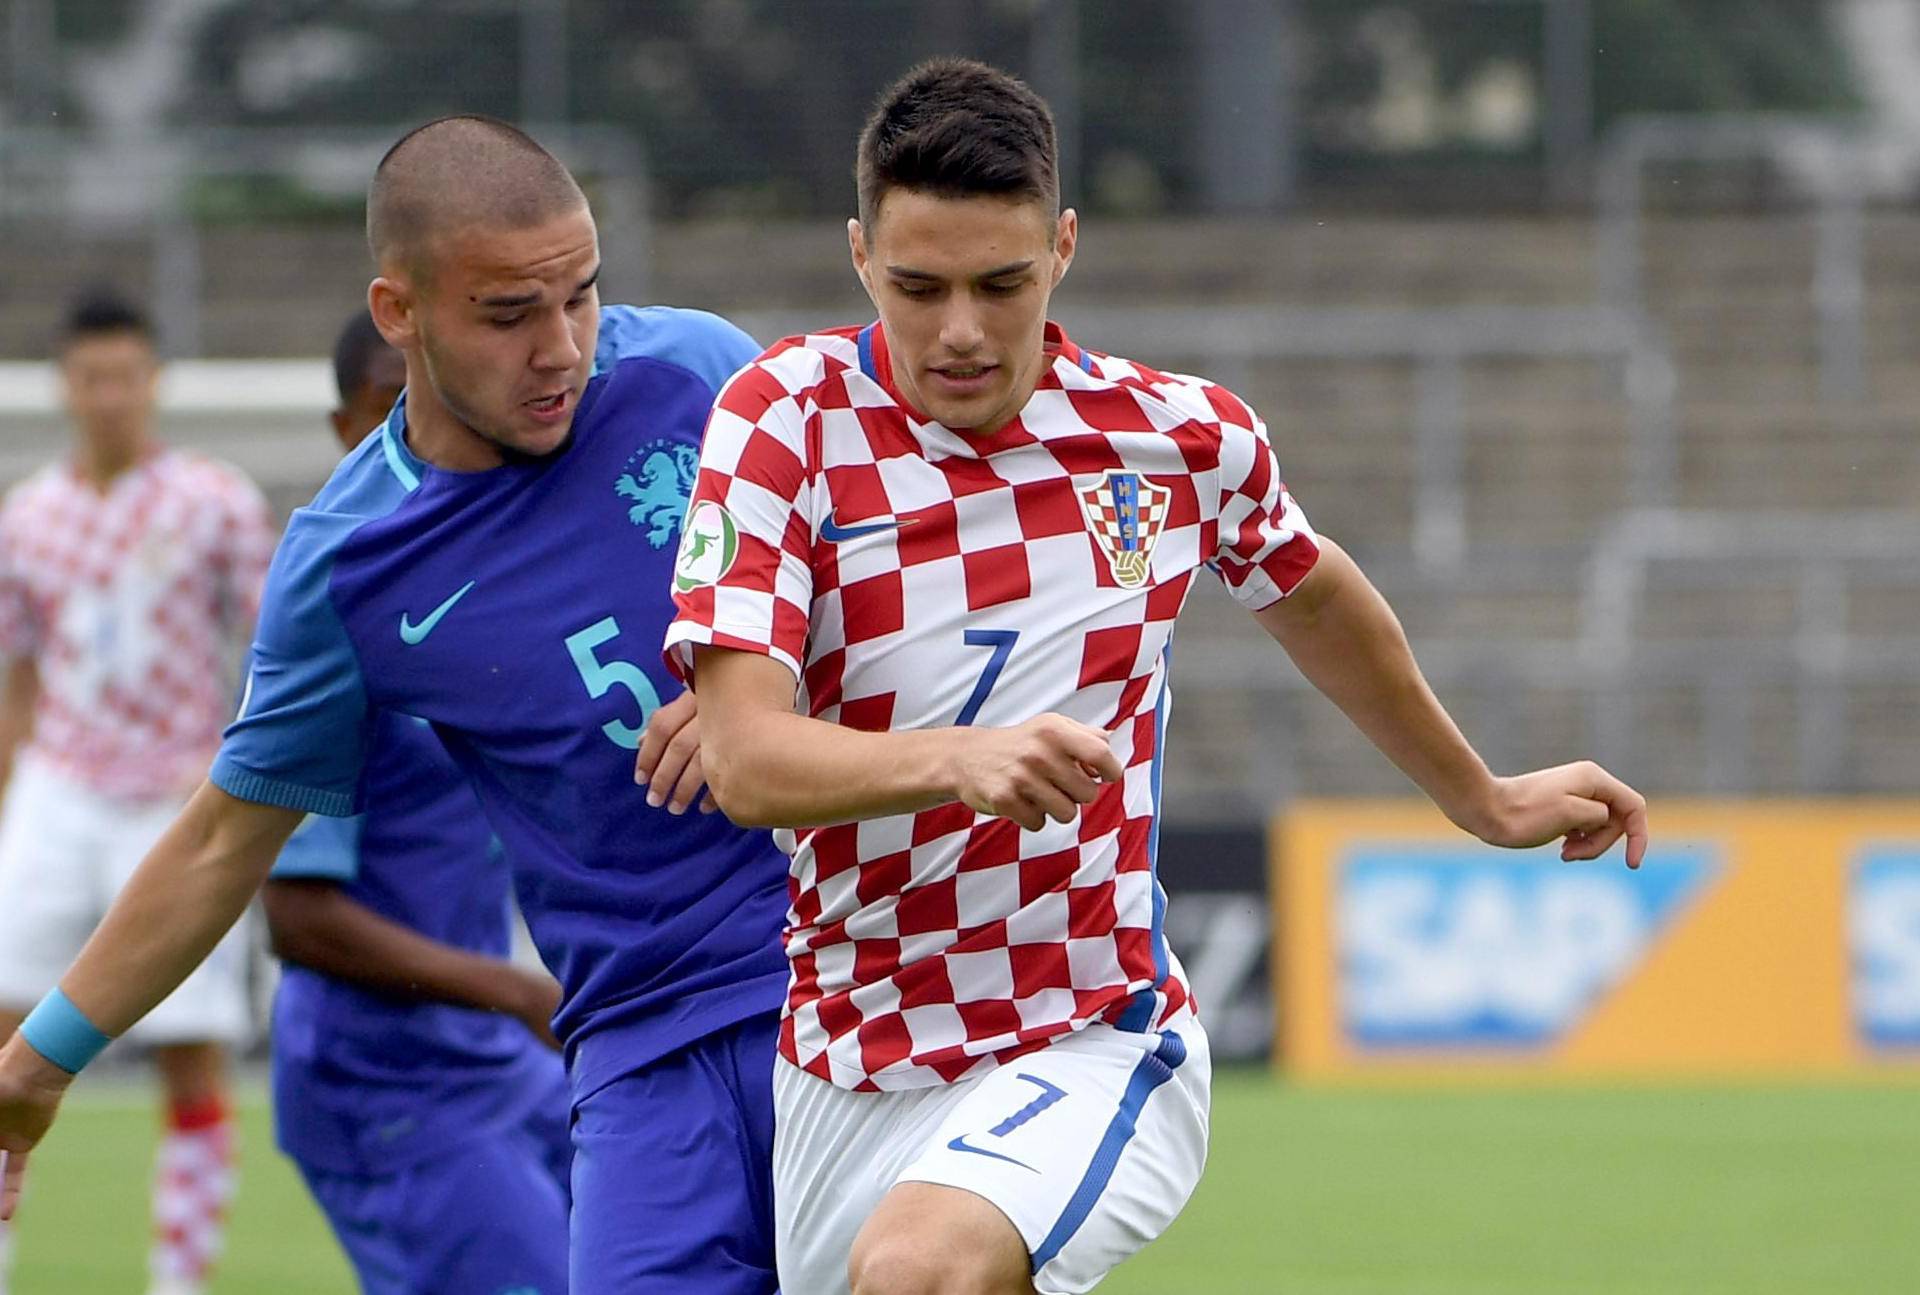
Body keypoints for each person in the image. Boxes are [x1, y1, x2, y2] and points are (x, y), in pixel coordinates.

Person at [663, 58, 1652, 1295]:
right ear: (860, 254)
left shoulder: (1177, 439)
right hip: (844, 1054)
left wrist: (1480, 794)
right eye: (918, 287)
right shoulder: (782, 419)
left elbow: (1313, 591)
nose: (961, 328)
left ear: (1064, 247)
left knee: (920, 1272)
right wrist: (961, 759)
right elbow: (748, 758)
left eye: (1001, 284)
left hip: (1088, 1026)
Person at [0, 117, 791, 1294]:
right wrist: (39, 1062)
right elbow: (226, 842)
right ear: (399, 312)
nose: (562, 347)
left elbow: (890, 583)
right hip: (634, 1040)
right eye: (510, 312)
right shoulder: (350, 567)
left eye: (580, 295)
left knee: (929, 1266)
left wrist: (766, 698)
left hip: (835, 980)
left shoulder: (701, 374)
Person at [260, 309, 570, 1294]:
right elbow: (297, 911)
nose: (423, 424)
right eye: (393, 404)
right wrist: (521, 989)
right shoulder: (338, 623)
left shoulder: (476, 597)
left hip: (496, 1058)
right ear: (346, 428)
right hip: (386, 1078)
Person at [0, 293, 275, 1295]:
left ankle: (179, 1279)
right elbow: (19, 673)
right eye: (90, 378)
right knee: (5, 1038)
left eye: (126, 375)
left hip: (173, 792)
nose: (109, 396)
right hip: (59, 788)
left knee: (188, 1051)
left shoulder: (215, 499)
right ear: (64, 386)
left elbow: (269, 645)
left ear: (152, 379)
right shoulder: (28, 513)